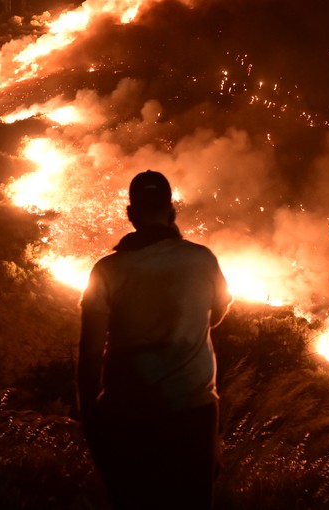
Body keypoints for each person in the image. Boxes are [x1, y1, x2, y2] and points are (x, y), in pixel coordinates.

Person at [78, 170, 233, 509]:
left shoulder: (106, 270)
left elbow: (89, 353)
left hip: (128, 416)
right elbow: (217, 314)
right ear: (171, 209)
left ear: (131, 214)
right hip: (192, 414)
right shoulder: (201, 259)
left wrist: (90, 418)